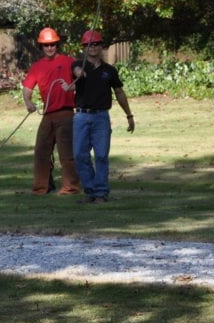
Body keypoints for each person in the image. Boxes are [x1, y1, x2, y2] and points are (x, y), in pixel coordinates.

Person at [70, 29, 134, 203]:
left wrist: (129, 115)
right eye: (89, 44)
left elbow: (119, 92)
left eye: (96, 43)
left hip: (101, 118)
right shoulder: (78, 65)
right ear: (84, 47)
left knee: (101, 156)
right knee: (80, 155)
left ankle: (100, 193)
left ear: (101, 46)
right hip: (81, 117)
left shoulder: (109, 71)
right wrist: (79, 72)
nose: (93, 47)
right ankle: (90, 191)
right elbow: (76, 71)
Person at [21, 27, 80, 195]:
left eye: (52, 44)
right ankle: (42, 187)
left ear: (57, 44)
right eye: (46, 45)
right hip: (48, 114)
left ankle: (71, 187)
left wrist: (76, 80)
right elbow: (27, 88)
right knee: (41, 151)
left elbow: (80, 78)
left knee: (66, 154)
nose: (49, 48)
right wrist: (28, 101)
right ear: (41, 46)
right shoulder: (37, 66)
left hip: (67, 113)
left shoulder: (68, 61)